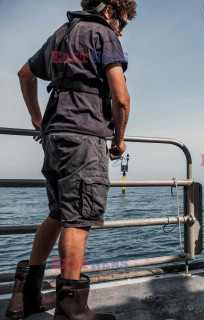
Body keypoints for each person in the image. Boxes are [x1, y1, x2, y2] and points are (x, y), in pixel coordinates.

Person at [5, 1, 135, 319]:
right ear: (109, 12)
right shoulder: (103, 34)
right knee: (78, 219)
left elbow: (25, 74)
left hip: (55, 135)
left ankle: (25, 297)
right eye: (123, 23)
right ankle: (71, 308)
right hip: (84, 134)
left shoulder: (62, 34)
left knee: (59, 213)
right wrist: (118, 141)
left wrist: (38, 119)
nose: (122, 30)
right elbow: (121, 97)